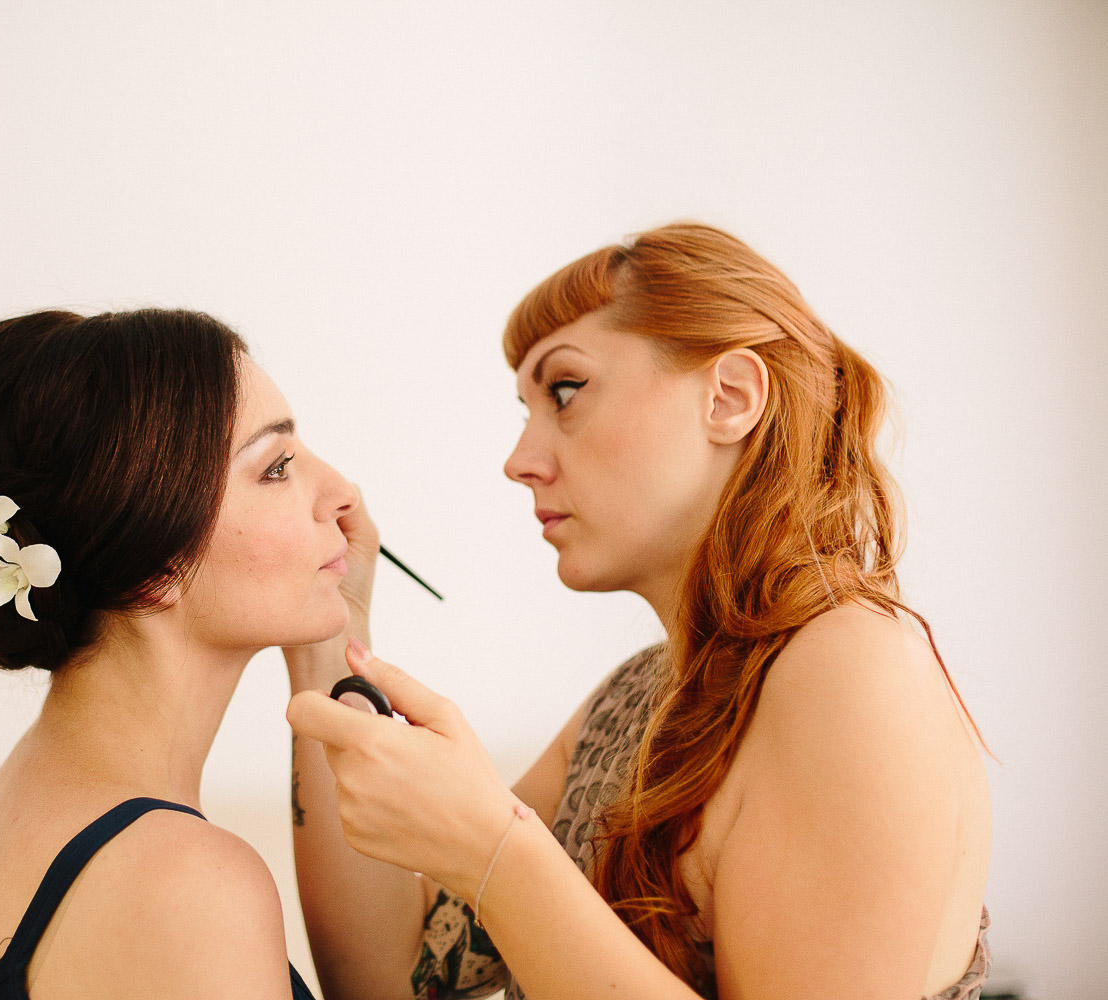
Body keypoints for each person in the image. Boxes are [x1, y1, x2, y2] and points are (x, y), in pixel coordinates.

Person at [284, 223, 992, 1000]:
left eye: (564, 392)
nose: (519, 460)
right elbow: (389, 978)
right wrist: (330, 639)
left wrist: (497, 851)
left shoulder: (848, 667)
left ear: (729, 398)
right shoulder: (637, 698)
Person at [0, 307, 357, 999]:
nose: (344, 493)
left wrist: (332, 646)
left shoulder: (8, 804)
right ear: (155, 567)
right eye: (277, 467)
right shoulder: (191, 884)